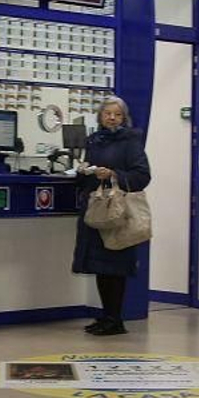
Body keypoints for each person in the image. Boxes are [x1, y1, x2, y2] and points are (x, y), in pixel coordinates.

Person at [74, 95, 151, 337]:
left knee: (115, 267)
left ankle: (115, 319)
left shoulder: (131, 141)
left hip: (118, 213)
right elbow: (87, 175)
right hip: (97, 210)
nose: (112, 118)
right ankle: (106, 315)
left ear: (124, 118)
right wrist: (83, 171)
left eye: (117, 114)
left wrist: (113, 174)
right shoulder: (94, 141)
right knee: (100, 266)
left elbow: (142, 175)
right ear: (100, 116)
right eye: (108, 113)